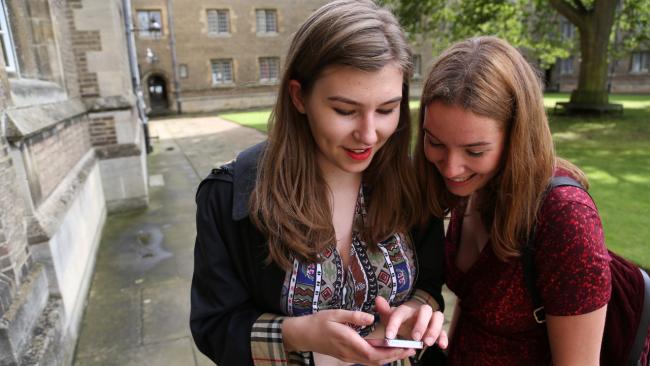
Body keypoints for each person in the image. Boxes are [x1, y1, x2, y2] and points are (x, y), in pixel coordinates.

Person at [190, 1, 447, 365]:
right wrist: (297, 334)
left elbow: (431, 282)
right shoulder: (231, 195)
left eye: (387, 109)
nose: (369, 134)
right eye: (345, 111)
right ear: (299, 97)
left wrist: (419, 309)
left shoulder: (413, 184)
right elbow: (213, 325)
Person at [413, 36, 613, 365]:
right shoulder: (473, 187)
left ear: (517, 137)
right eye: (435, 143)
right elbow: (475, 299)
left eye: (474, 151)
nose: (451, 168)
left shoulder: (564, 217)